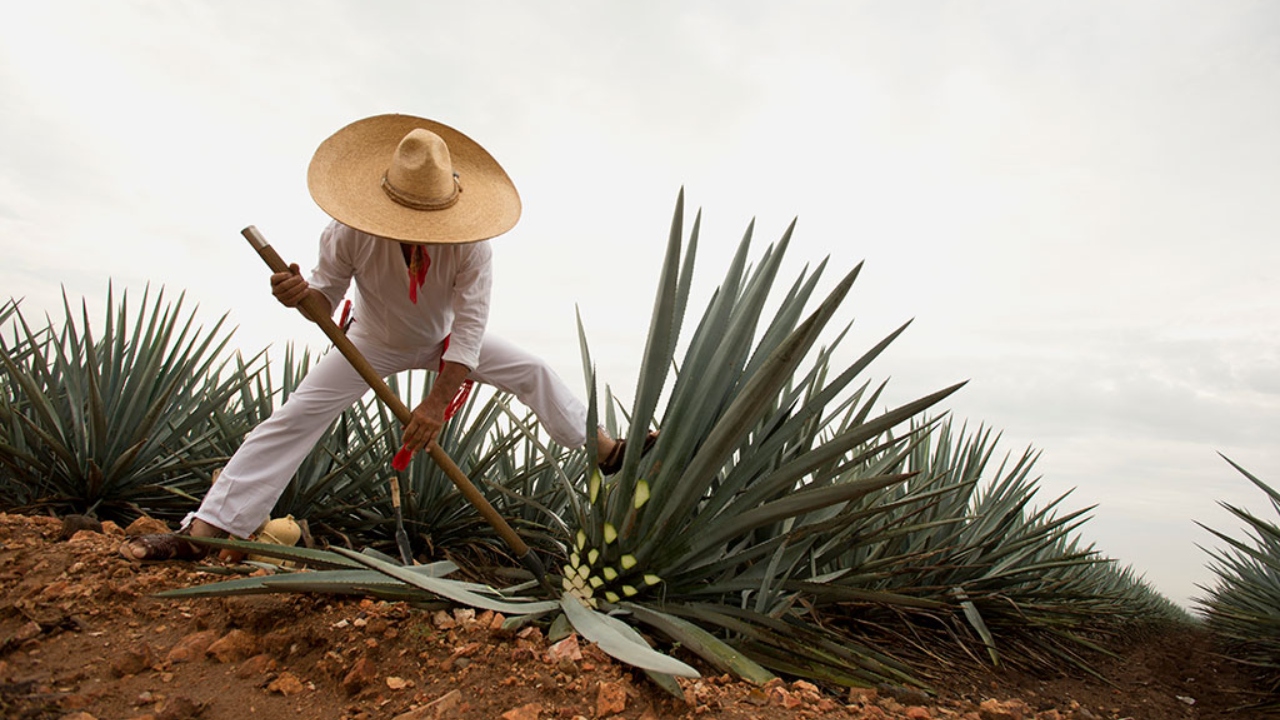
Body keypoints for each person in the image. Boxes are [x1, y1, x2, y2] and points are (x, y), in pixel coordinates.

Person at [121, 114, 649, 562]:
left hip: (446, 344)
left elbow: (468, 329)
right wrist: (298, 296)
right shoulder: (350, 230)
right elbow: (323, 304)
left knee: (533, 370)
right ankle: (209, 530)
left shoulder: (471, 247)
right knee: (294, 418)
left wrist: (436, 405)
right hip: (370, 342)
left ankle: (605, 451)